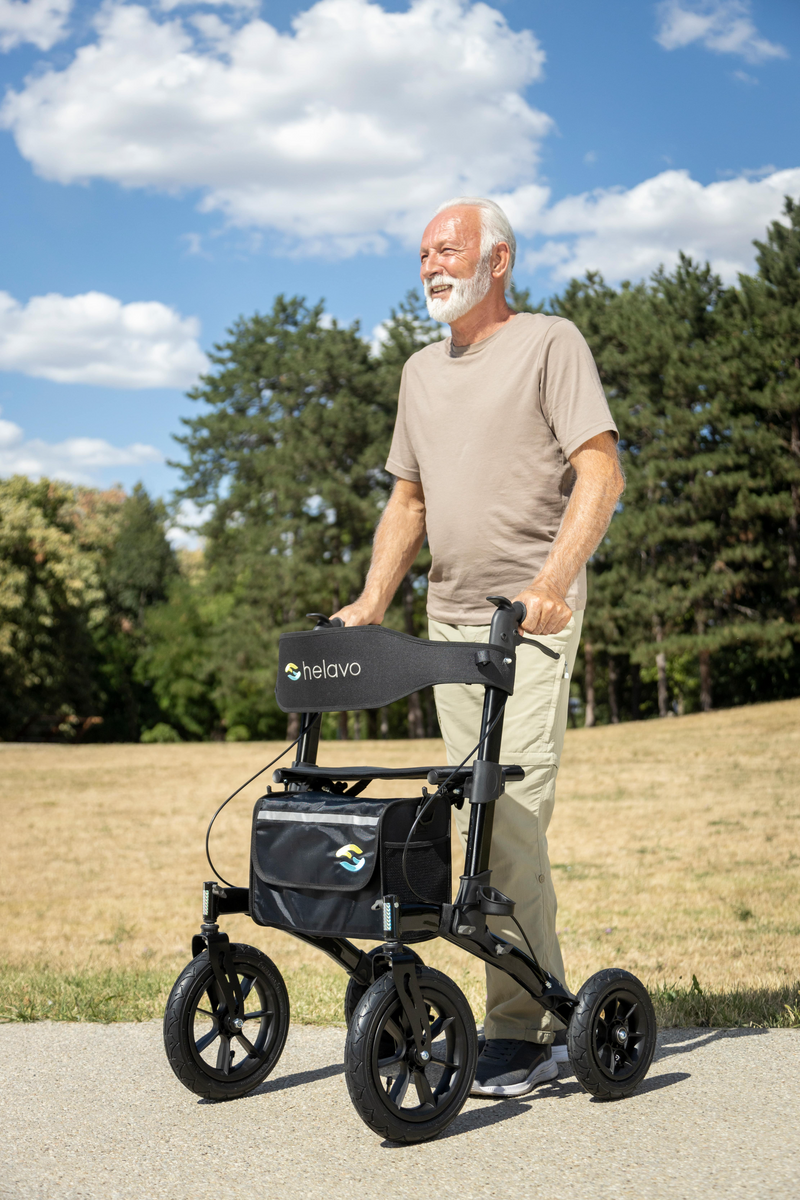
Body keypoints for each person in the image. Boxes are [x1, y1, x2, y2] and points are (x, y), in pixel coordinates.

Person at [333, 196, 623, 1098]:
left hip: (529, 624)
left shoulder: (550, 342)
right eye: (421, 253)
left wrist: (552, 580)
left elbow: (602, 468)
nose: (430, 265)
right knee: (471, 818)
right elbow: (409, 501)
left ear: (498, 259)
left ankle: (522, 1026)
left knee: (508, 819)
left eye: (447, 249)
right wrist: (372, 602)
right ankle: (524, 1003)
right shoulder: (420, 373)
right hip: (449, 622)